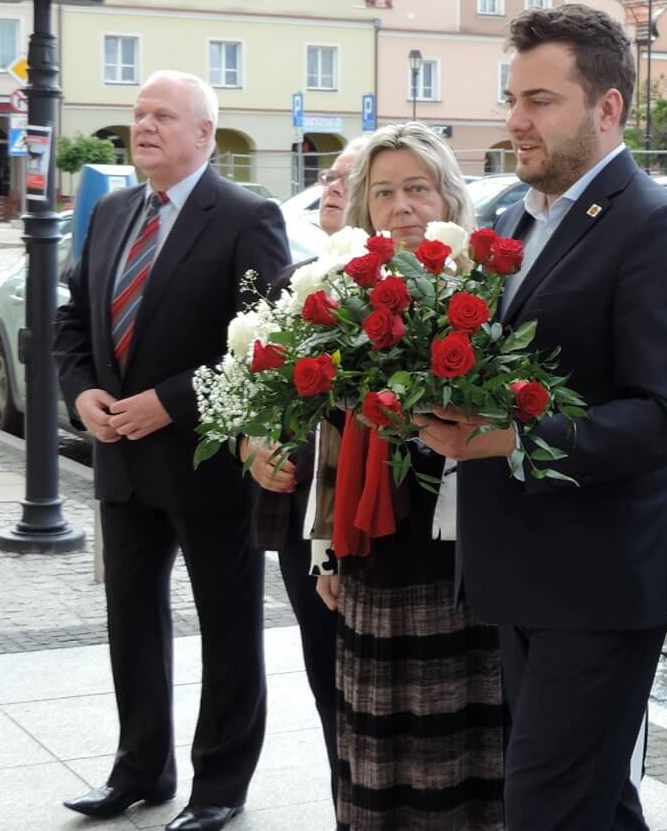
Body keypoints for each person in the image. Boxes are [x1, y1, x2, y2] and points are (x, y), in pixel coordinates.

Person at [411, 5, 667, 830]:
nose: (515, 120)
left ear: (607, 108)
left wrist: (510, 440)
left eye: (539, 100)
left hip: (600, 579)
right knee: (596, 804)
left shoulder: (657, 228)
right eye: (513, 98)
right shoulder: (513, 217)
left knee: (546, 806)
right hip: (522, 567)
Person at [53, 71, 290, 831]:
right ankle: (140, 771)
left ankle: (220, 784)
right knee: (132, 624)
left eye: (163, 115)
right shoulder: (113, 211)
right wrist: (81, 392)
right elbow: (74, 320)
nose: (144, 125)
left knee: (227, 629)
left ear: (205, 135)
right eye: (138, 113)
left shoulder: (248, 217)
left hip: (207, 463)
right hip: (121, 459)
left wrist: (170, 403)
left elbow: (265, 344)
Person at [302, 122, 506, 829]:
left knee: (466, 755)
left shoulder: (491, 289)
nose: (402, 206)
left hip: (465, 557)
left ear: (449, 197)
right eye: (384, 192)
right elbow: (330, 431)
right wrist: (326, 543)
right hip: (374, 550)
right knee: (377, 757)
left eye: (417, 188)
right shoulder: (344, 295)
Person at [238, 137, 368, 816]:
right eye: (332, 176)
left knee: (378, 696)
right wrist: (254, 448)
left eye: (355, 175)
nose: (335, 185)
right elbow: (247, 405)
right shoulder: (293, 282)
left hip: (372, 527)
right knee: (327, 685)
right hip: (299, 524)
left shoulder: (403, 288)